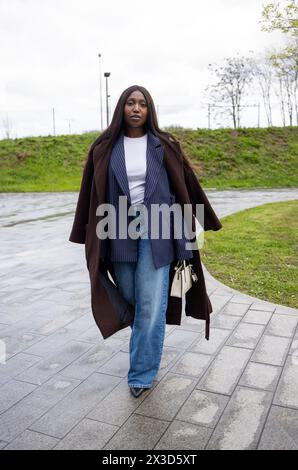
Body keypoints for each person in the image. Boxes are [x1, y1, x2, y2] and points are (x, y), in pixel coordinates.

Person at [69, 85, 223, 399]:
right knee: (133, 297)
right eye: (130, 103)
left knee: (151, 307)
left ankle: (141, 373)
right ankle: (145, 336)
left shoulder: (165, 144)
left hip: (159, 229)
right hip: (118, 227)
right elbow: (89, 192)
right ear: (122, 109)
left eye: (142, 104)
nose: (136, 108)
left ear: (149, 110)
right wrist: (83, 230)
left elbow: (186, 184)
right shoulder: (104, 147)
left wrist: (203, 221)